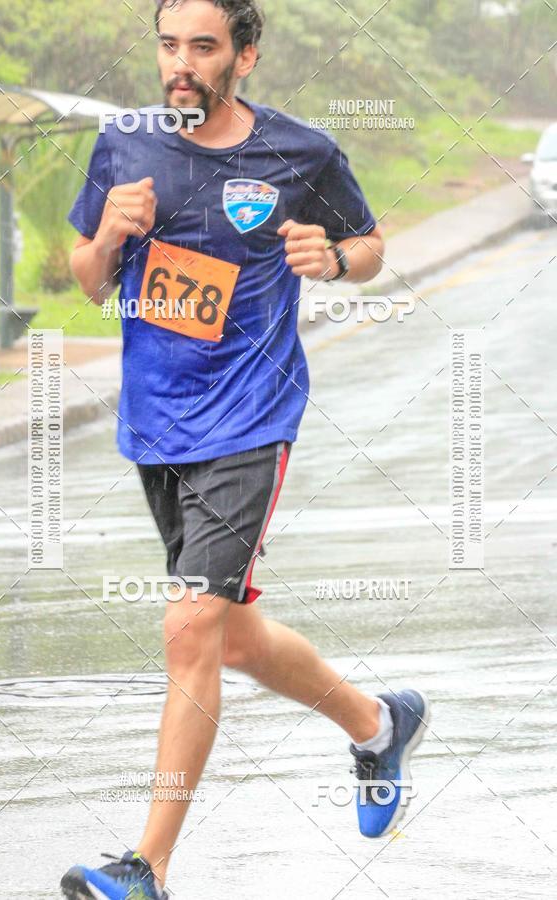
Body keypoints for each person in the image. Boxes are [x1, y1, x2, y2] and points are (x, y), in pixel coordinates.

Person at [60, 1, 429, 897]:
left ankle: (146, 868)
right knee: (228, 637)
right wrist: (109, 235)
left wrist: (331, 259)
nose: (180, 64)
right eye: (168, 45)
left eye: (203, 47)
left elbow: (370, 246)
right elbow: (87, 279)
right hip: (157, 423)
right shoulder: (124, 144)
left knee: (189, 626)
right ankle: (378, 724)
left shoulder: (300, 152)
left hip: (251, 419)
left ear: (246, 57)